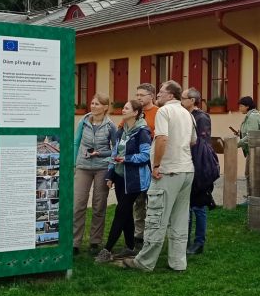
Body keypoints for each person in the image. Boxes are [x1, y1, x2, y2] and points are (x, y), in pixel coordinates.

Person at [114, 80, 194, 272]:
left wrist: (156, 165)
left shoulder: (164, 112)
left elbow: (162, 138)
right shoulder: (187, 113)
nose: (158, 94)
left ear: (171, 95)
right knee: (180, 219)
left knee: (156, 217)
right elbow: (193, 141)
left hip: (167, 170)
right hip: (186, 170)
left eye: (161, 91)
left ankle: (145, 262)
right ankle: (177, 262)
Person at [95, 99, 152, 263]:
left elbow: (146, 155)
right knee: (125, 213)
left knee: (120, 212)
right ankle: (130, 247)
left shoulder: (142, 132)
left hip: (134, 181)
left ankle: (107, 250)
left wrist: (126, 159)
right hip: (120, 178)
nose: (123, 109)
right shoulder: (121, 130)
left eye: (126, 108)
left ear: (135, 112)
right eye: (123, 107)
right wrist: (110, 175)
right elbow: (114, 154)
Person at [73, 93, 118, 255]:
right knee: (78, 204)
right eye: (92, 103)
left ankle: (95, 241)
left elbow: (115, 150)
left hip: (102, 168)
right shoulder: (83, 121)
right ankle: (74, 242)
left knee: (99, 205)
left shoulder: (110, 126)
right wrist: (74, 163)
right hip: (83, 166)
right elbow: (76, 142)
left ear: (105, 107)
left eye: (97, 104)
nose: (93, 106)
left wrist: (101, 154)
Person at [182, 87, 218, 255]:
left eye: (183, 98)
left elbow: (200, 144)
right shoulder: (186, 115)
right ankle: (185, 240)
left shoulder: (201, 117)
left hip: (200, 167)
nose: (181, 101)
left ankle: (199, 242)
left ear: (192, 101)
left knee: (199, 207)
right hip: (188, 164)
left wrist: (197, 169)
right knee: (188, 206)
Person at [132, 83, 158, 248]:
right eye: (137, 95)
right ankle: (138, 234)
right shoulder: (135, 112)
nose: (139, 98)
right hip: (136, 162)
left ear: (151, 96)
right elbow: (123, 129)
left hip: (152, 161)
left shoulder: (158, 113)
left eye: (142, 95)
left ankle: (152, 234)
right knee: (138, 201)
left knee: (153, 200)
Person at [233, 96, 260, 197]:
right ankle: (251, 196)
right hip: (254, 149)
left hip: (255, 149)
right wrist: (240, 134)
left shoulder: (252, 116)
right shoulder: (252, 115)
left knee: (250, 174)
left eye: (241, 106)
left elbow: (251, 135)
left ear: (247, 106)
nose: (239, 108)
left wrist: (236, 144)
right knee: (250, 173)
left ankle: (252, 196)